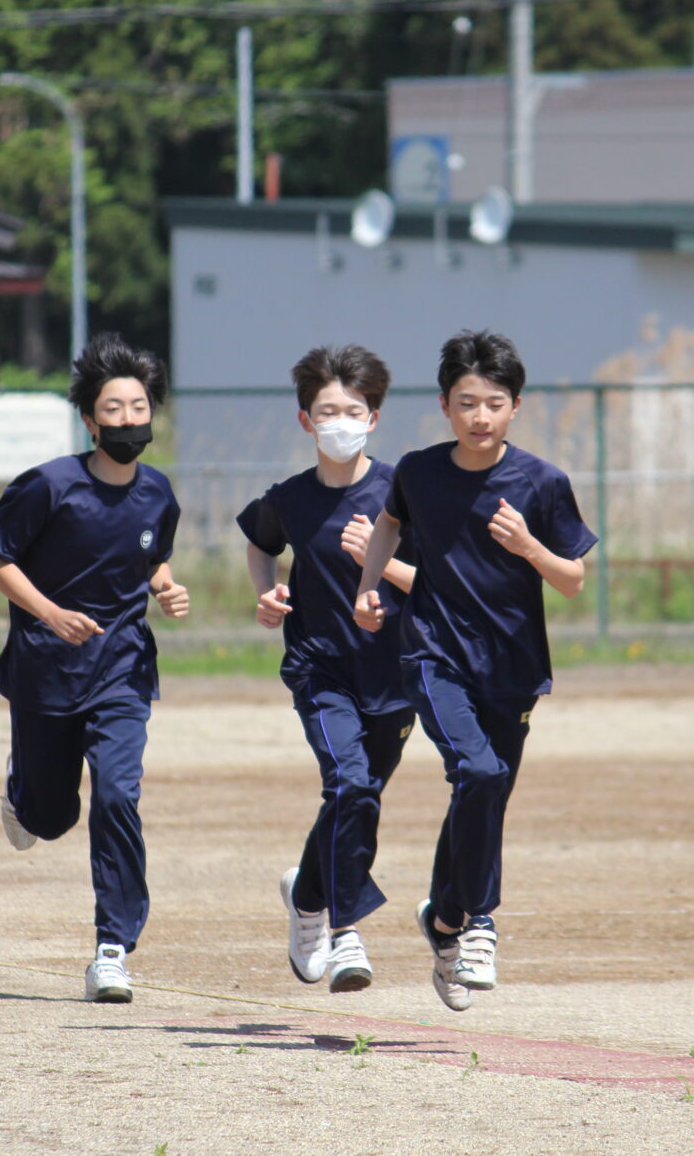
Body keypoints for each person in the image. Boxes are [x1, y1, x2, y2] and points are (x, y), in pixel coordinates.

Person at [352, 330, 596, 1011]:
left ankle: (444, 919)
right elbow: (388, 527)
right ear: (444, 406)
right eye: (466, 402)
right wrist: (369, 589)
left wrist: (529, 547)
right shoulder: (419, 472)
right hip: (434, 652)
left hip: (514, 665)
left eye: (493, 403)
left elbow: (573, 580)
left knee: (482, 793)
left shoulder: (542, 482)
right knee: (479, 773)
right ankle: (480, 921)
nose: (479, 416)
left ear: (515, 406)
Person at [0, 334, 189, 1005]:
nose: (128, 419)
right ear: (90, 421)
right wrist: (51, 614)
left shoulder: (157, 492)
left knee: (119, 796)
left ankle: (112, 948)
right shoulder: (50, 486)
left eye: (138, 406)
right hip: (48, 669)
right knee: (52, 814)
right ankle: (23, 793)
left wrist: (166, 586)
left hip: (122, 669)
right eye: (112, 409)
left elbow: (148, 555)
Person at [236, 345, 418, 994]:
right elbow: (261, 544)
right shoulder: (290, 500)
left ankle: (306, 892)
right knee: (351, 785)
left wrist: (382, 559)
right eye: (326, 411)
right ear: (305, 421)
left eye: (354, 410)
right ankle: (345, 932)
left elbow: (441, 586)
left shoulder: (406, 494)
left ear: (375, 416)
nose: (340, 420)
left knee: (356, 794)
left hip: (396, 676)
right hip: (321, 670)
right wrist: (268, 589)